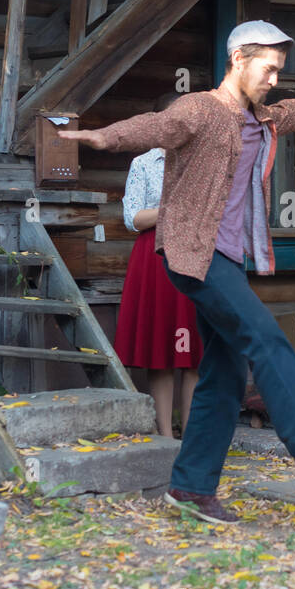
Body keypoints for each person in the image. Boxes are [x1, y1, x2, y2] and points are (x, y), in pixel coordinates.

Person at [57, 20, 295, 525]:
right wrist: (99, 136)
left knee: (223, 375)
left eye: (279, 71)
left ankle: (191, 487)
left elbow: (293, 112)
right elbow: (154, 128)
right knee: (266, 338)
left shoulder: (261, 118)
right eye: (268, 68)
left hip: (226, 260)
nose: (274, 79)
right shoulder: (199, 109)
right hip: (192, 255)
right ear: (238, 58)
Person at [116, 92, 202, 439]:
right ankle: (166, 434)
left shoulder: (202, 163)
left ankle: (193, 433)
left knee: (194, 352)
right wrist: (172, 209)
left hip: (195, 255)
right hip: (154, 258)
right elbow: (132, 218)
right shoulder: (143, 164)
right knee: (161, 350)